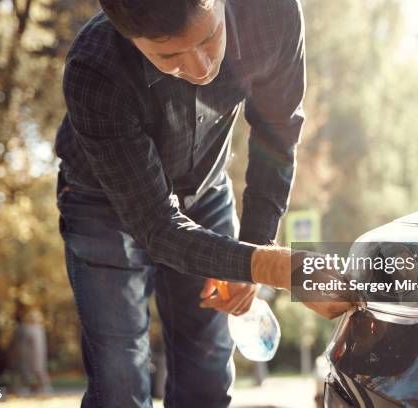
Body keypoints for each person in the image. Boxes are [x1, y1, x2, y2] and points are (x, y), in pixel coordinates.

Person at [54, 0, 355, 406]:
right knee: (119, 377)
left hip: (205, 191)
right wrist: (274, 265)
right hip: (101, 202)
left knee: (208, 377)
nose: (199, 69)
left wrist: (257, 245)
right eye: (169, 56)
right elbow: (158, 228)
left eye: (209, 38)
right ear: (128, 37)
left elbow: (276, 137)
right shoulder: (94, 69)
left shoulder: (273, 13)